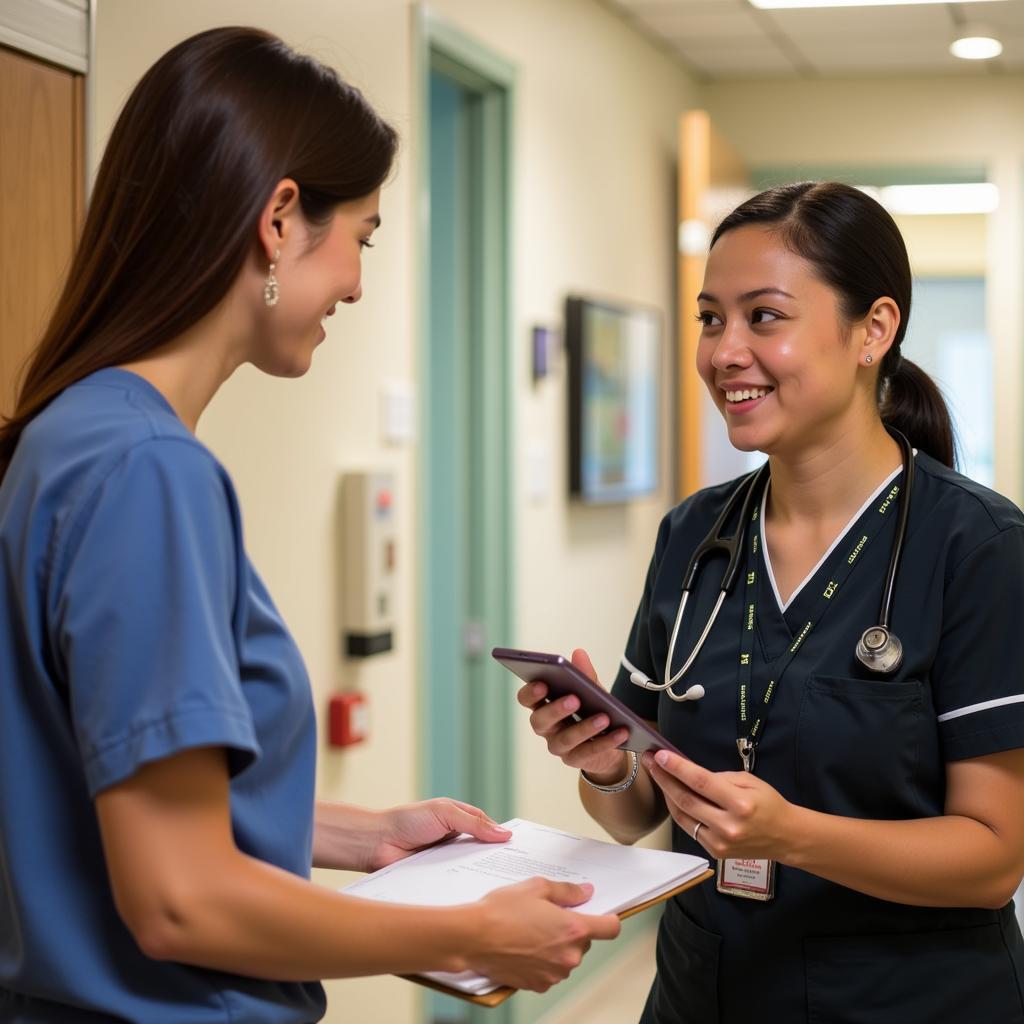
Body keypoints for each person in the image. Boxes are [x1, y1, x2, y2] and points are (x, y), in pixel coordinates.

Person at [0, 26, 620, 1024]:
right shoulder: (150, 473)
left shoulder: (70, 435)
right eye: (362, 239)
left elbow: (111, 798)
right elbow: (178, 900)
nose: (358, 285)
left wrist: (359, 834)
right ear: (280, 219)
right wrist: (469, 931)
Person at [519, 181, 1024, 1023]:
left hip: (910, 998)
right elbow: (631, 815)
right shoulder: (694, 536)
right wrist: (605, 762)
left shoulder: (976, 547)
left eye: (764, 317)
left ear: (874, 329)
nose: (724, 352)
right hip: (706, 991)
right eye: (711, 318)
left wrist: (792, 835)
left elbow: (993, 857)